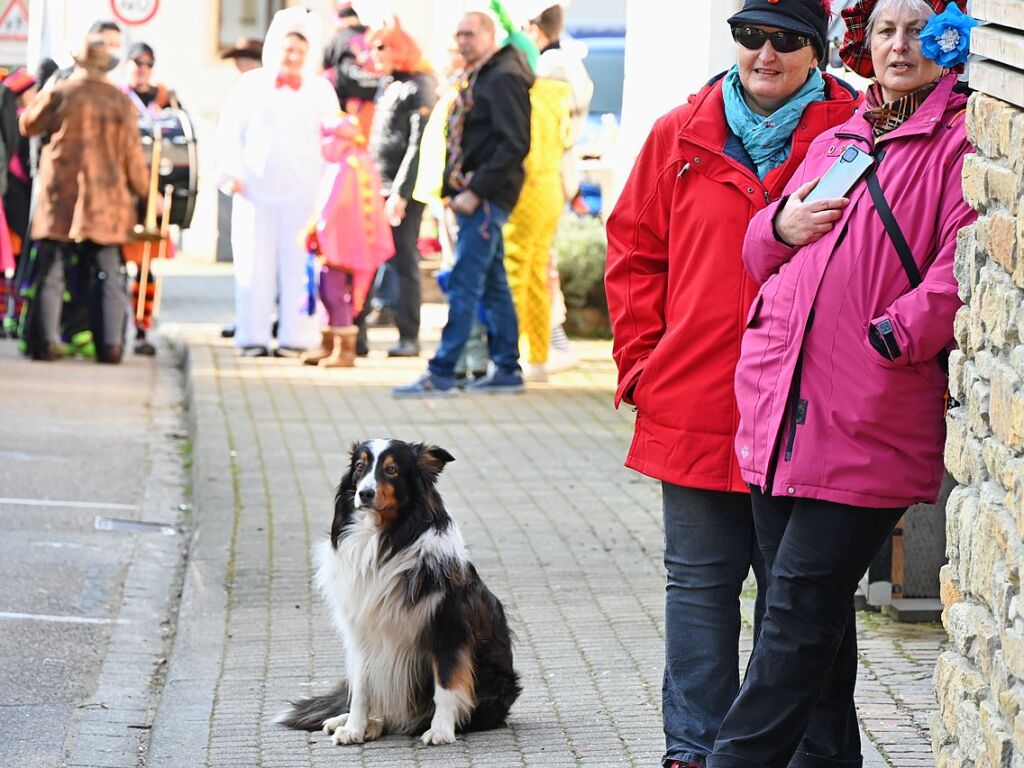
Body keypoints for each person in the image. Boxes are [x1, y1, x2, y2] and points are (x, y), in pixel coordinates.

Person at [707, 2, 976, 767]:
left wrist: (896, 333)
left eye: (919, 28)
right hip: (778, 410)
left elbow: (966, 265)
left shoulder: (960, 142)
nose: (900, 44)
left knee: (795, 611)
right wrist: (778, 228)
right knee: (808, 622)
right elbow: (763, 245)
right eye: (887, 29)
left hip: (866, 413)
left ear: (953, 40)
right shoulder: (840, 135)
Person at [604, 1, 862, 766]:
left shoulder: (855, 133)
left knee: (802, 603)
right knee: (700, 590)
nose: (765, 54)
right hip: (694, 400)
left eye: (786, 41)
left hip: (806, 416)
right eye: (750, 37)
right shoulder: (676, 135)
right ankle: (695, 752)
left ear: (816, 52)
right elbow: (633, 255)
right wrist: (644, 366)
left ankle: (792, 755)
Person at [393, 11, 533, 397]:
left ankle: (442, 371)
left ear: (490, 35)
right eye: (458, 35)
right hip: (472, 196)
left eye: (470, 34)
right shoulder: (481, 74)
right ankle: (507, 368)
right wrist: (451, 191)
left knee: (464, 285)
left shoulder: (503, 77)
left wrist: (476, 191)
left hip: (485, 199)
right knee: (493, 286)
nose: (463, 42)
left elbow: (515, 144)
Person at [217, 7, 339, 358]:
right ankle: (252, 334)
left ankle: (297, 336)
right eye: (288, 48)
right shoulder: (251, 85)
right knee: (254, 266)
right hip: (255, 192)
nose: (293, 56)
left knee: (299, 267)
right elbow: (229, 134)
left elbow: (333, 141)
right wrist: (231, 172)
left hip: (305, 193)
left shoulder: (320, 91)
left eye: (301, 50)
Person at [18, 35, 149, 363]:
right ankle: (111, 345)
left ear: (77, 62)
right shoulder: (119, 101)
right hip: (104, 198)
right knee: (108, 269)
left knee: (52, 267)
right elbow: (133, 155)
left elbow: (27, 125)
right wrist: (146, 193)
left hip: (61, 194)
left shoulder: (60, 92)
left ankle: (45, 343)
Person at [503, 4, 575, 383]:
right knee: (535, 274)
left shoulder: (537, 96)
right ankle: (536, 356)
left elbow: (525, 149)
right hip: (549, 189)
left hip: (528, 188)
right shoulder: (561, 97)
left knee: (517, 273)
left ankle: (512, 357)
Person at [361, 18, 437, 359]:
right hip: (379, 184)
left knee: (404, 259)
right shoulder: (388, 83)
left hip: (400, 189)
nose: (374, 54)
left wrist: (402, 193)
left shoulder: (418, 85)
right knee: (369, 259)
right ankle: (356, 334)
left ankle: (409, 335)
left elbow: (417, 145)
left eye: (381, 47)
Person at [302, 115, 393, 368]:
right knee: (330, 292)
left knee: (334, 293)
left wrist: (314, 232)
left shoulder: (348, 165)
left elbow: (329, 209)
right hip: (347, 243)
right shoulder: (358, 161)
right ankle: (329, 343)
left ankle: (344, 350)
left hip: (339, 244)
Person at [122, 41, 181, 357]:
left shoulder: (164, 97)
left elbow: (181, 143)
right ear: (127, 64)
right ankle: (118, 328)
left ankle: (142, 329)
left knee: (147, 269)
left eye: (148, 64)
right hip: (124, 195)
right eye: (137, 63)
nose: (142, 69)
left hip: (155, 196)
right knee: (118, 266)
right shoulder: (119, 97)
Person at [217, 36, 263, 336]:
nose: (238, 64)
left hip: (269, 186)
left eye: (242, 58)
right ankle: (248, 320)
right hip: (245, 185)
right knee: (247, 260)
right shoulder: (241, 89)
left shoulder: (266, 89)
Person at [321, 2, 381, 141]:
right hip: (373, 106)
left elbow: (326, 65)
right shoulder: (373, 36)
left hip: (346, 109)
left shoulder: (338, 39)